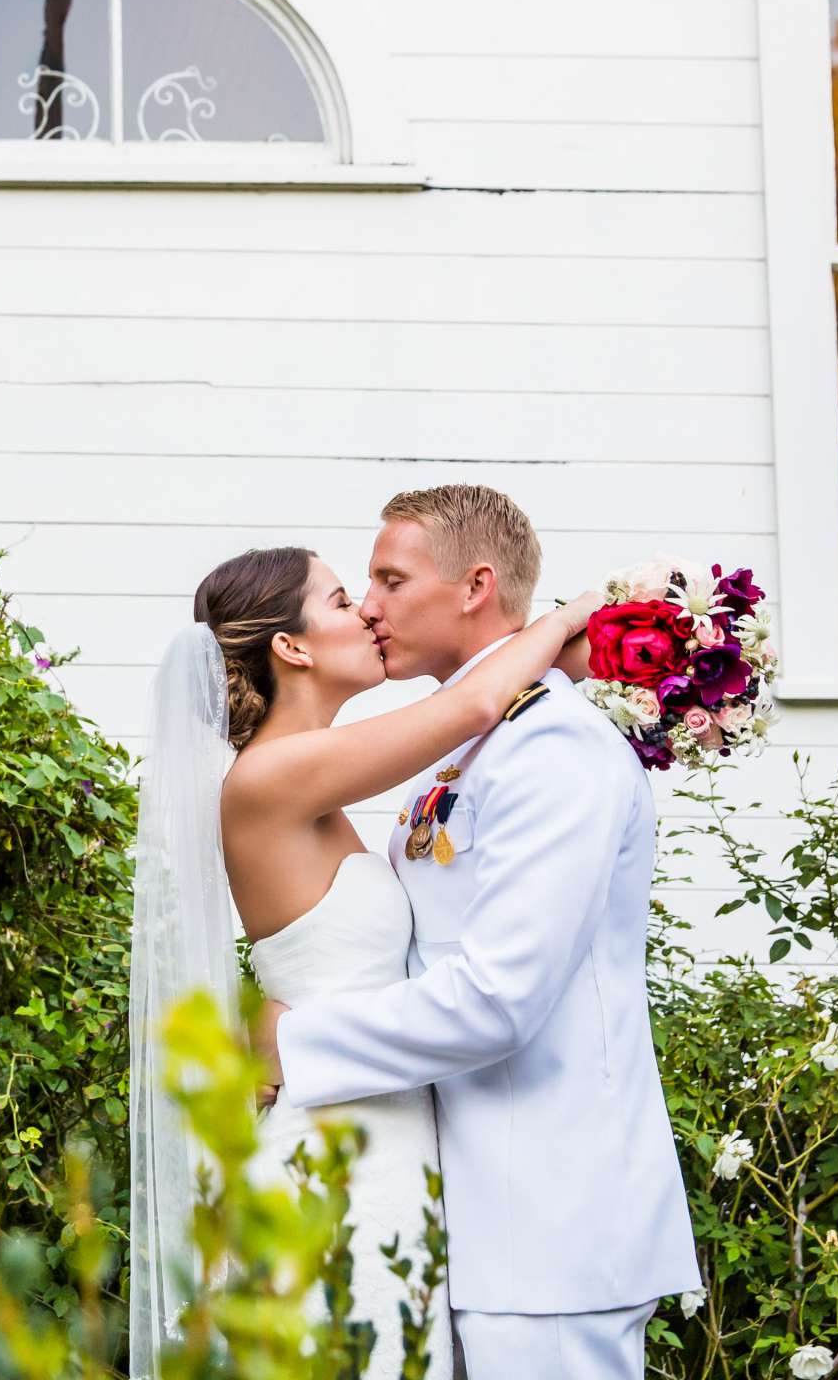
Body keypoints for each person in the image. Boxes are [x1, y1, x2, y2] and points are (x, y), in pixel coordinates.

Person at [127, 532, 597, 1380]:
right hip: (332, 1157)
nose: (371, 614)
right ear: (292, 646)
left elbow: (476, 727)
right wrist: (583, 613)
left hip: (384, 1136)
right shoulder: (269, 778)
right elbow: (472, 707)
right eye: (344, 601)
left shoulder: (317, 779)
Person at [256, 485, 701, 1380]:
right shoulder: (475, 743)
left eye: (389, 578)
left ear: (474, 586)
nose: (371, 605)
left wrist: (293, 1044)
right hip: (472, 1206)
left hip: (553, 1221)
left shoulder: (553, 749)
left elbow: (500, 998)